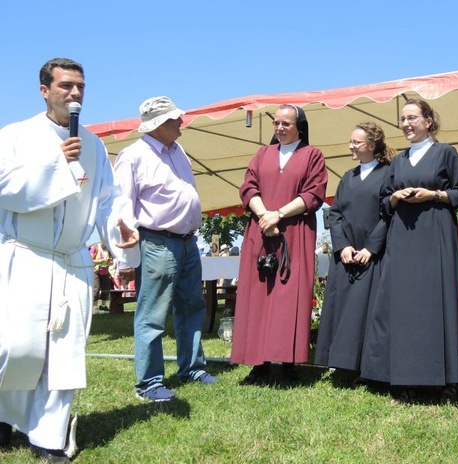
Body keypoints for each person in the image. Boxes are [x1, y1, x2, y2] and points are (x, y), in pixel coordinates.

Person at [0, 58, 139, 464]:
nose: (75, 93)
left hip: (71, 262)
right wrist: (55, 165)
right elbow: (3, 186)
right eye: (66, 86)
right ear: (44, 90)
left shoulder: (94, 146)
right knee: (16, 348)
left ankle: (48, 438)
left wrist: (119, 228)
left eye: (80, 86)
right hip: (25, 256)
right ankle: (6, 417)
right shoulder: (16, 135)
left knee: (63, 357)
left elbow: (107, 199)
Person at [360, 99, 458, 404]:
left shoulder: (446, 153)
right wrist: (395, 197)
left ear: (428, 120)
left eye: (412, 118)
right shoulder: (398, 161)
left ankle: (444, 381)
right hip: (403, 238)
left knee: (436, 304)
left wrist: (433, 194)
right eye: (403, 119)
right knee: (404, 307)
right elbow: (383, 203)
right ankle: (405, 379)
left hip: (436, 234)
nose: (407, 124)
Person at [114, 96, 217, 404]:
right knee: (152, 312)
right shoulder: (133, 156)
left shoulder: (177, 150)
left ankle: (192, 368)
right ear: (158, 125)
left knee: (192, 306)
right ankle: (149, 381)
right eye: (175, 119)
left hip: (187, 242)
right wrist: (126, 246)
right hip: (156, 241)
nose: (180, 122)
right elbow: (122, 204)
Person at [231, 104, 327, 383]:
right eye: (276, 123)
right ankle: (258, 363)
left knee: (290, 296)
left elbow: (313, 194)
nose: (280, 128)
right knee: (257, 296)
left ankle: (287, 363)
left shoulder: (312, 155)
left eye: (286, 123)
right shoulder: (262, 154)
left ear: (299, 126)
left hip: (294, 233)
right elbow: (248, 188)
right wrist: (264, 215)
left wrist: (279, 214)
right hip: (260, 232)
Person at [315, 122, 393, 374]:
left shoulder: (389, 174)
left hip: (374, 256)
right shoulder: (348, 177)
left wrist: (371, 247)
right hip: (346, 256)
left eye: (356, 142)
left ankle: (366, 367)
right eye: (350, 141)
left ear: (371, 145)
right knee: (343, 309)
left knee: (369, 312)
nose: (350, 146)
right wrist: (343, 245)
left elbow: (390, 215)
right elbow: (335, 213)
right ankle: (342, 363)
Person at [90, 241, 113, 311]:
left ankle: (103, 305)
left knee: (106, 288)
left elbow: (111, 262)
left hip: (105, 272)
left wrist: (109, 262)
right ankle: (94, 306)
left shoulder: (108, 250)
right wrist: (102, 261)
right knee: (96, 288)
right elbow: (90, 260)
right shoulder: (95, 248)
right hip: (95, 271)